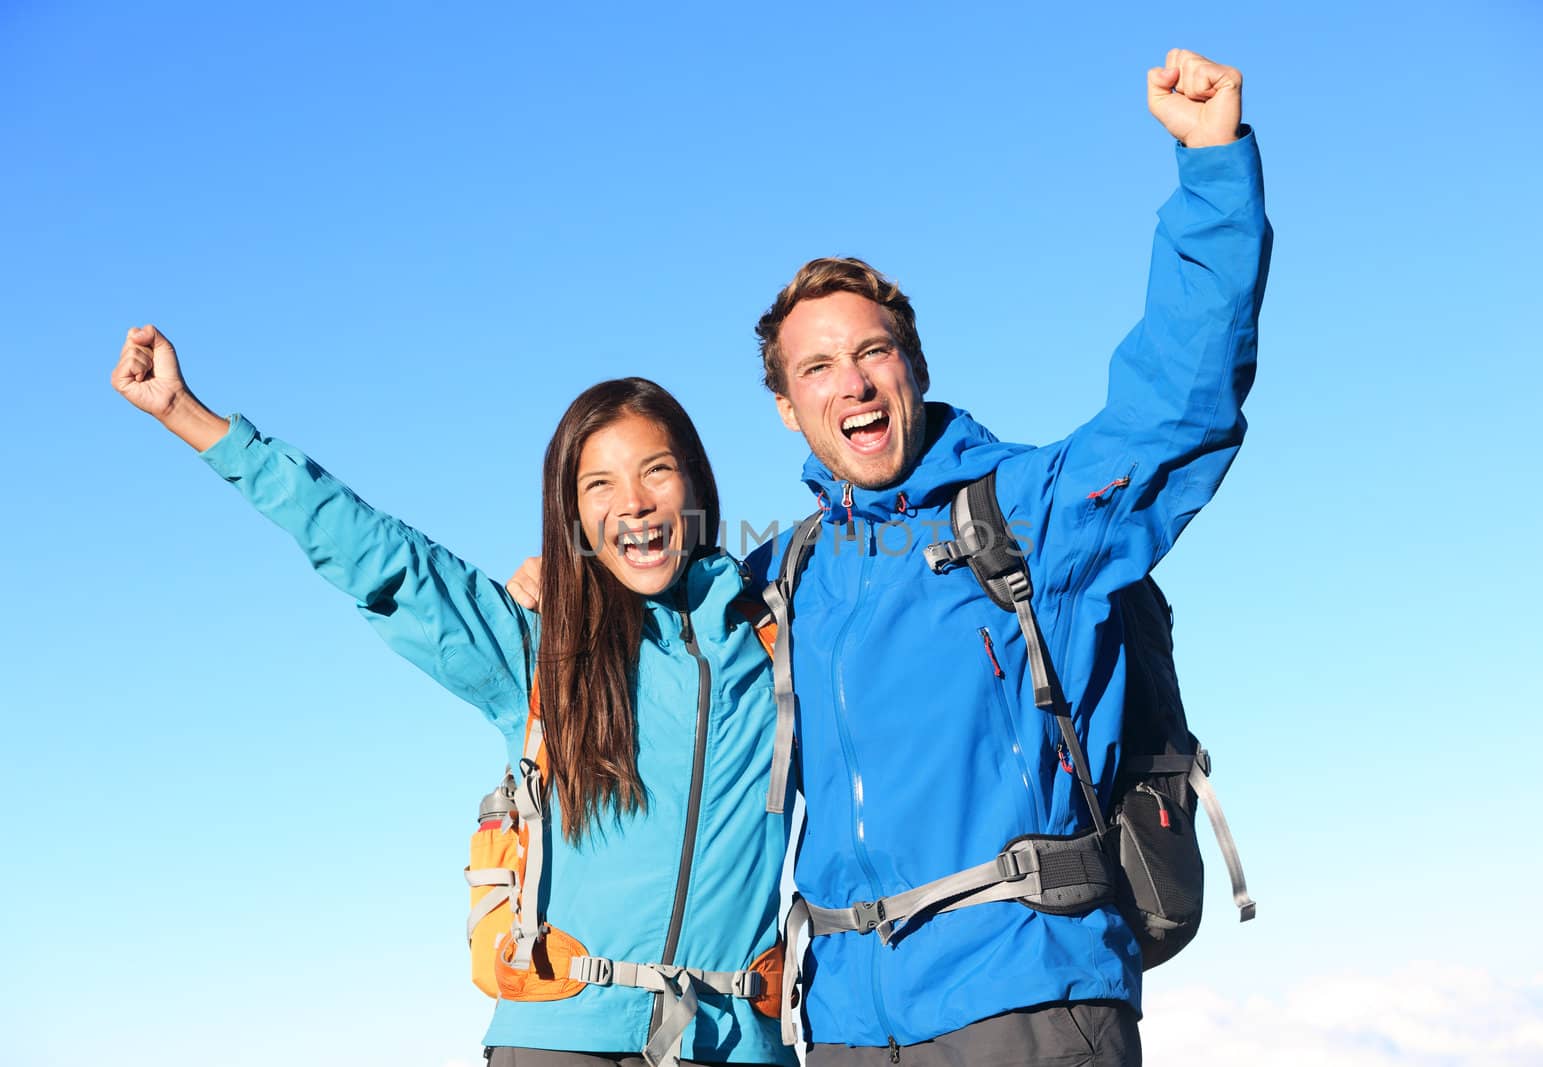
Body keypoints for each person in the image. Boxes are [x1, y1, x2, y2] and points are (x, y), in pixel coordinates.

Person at [744, 49, 1270, 1066]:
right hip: (850, 1029)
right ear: (786, 406)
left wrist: (1210, 170)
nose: (849, 382)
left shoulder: (1027, 512)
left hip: (1026, 999)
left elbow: (1178, 402)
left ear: (913, 366)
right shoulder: (786, 574)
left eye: (871, 352)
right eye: (816, 366)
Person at [110, 331, 797, 1067]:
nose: (633, 503)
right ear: (572, 515)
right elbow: (382, 555)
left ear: (696, 480)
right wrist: (189, 414)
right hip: (557, 1041)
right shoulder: (536, 646)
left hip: (732, 1043)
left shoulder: (777, 639)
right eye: (599, 484)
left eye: (656, 470)